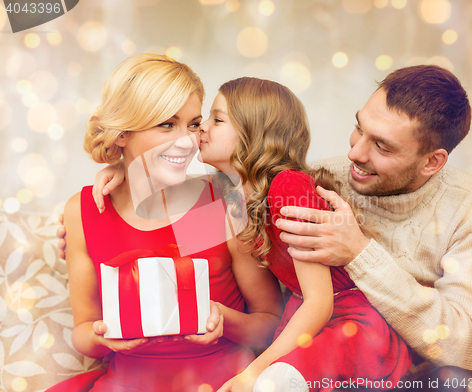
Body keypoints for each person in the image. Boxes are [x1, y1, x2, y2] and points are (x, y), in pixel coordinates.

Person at [78, 77, 413, 392]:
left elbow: (319, 301)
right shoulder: (234, 198)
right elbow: (162, 238)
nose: (199, 131)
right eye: (200, 122)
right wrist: (123, 166)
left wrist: (253, 371)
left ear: (255, 134)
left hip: (347, 321)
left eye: (215, 120)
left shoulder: (288, 187)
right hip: (306, 319)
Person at [49, 54, 283, 392]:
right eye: (166, 124)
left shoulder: (221, 203)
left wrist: (221, 318)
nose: (187, 141)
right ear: (121, 133)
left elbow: (271, 324)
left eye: (193, 124)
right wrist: (105, 336)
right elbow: (83, 331)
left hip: (222, 382)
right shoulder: (83, 211)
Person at [271, 65, 472, 389]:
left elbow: (469, 349)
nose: (355, 152)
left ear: (431, 162)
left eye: (382, 146)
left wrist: (359, 253)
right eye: (358, 128)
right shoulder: (326, 176)